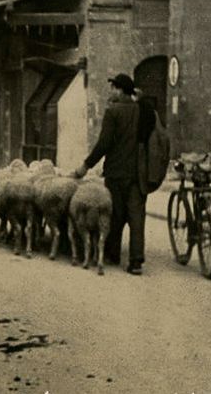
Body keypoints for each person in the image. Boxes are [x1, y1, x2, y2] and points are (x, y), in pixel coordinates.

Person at [74, 73, 144, 275]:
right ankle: (136, 261)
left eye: (113, 87)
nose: (111, 91)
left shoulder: (113, 112)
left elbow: (104, 144)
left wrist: (86, 165)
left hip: (116, 172)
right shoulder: (141, 111)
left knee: (115, 213)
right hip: (137, 173)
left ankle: (113, 253)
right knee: (136, 215)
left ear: (121, 90)